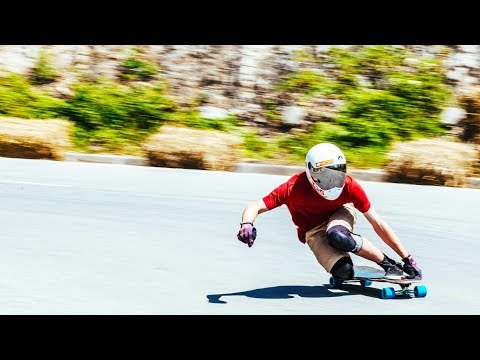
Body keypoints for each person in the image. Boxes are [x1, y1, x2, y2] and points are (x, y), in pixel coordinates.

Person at [236, 142, 422, 281]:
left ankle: (389, 265)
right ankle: (345, 267)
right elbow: (255, 206)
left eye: (337, 174)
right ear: (311, 174)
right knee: (344, 272)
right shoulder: (293, 188)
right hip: (313, 231)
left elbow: (378, 223)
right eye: (325, 176)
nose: (333, 182)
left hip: (340, 213)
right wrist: (247, 223)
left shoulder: (349, 186)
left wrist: (407, 257)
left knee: (338, 236)